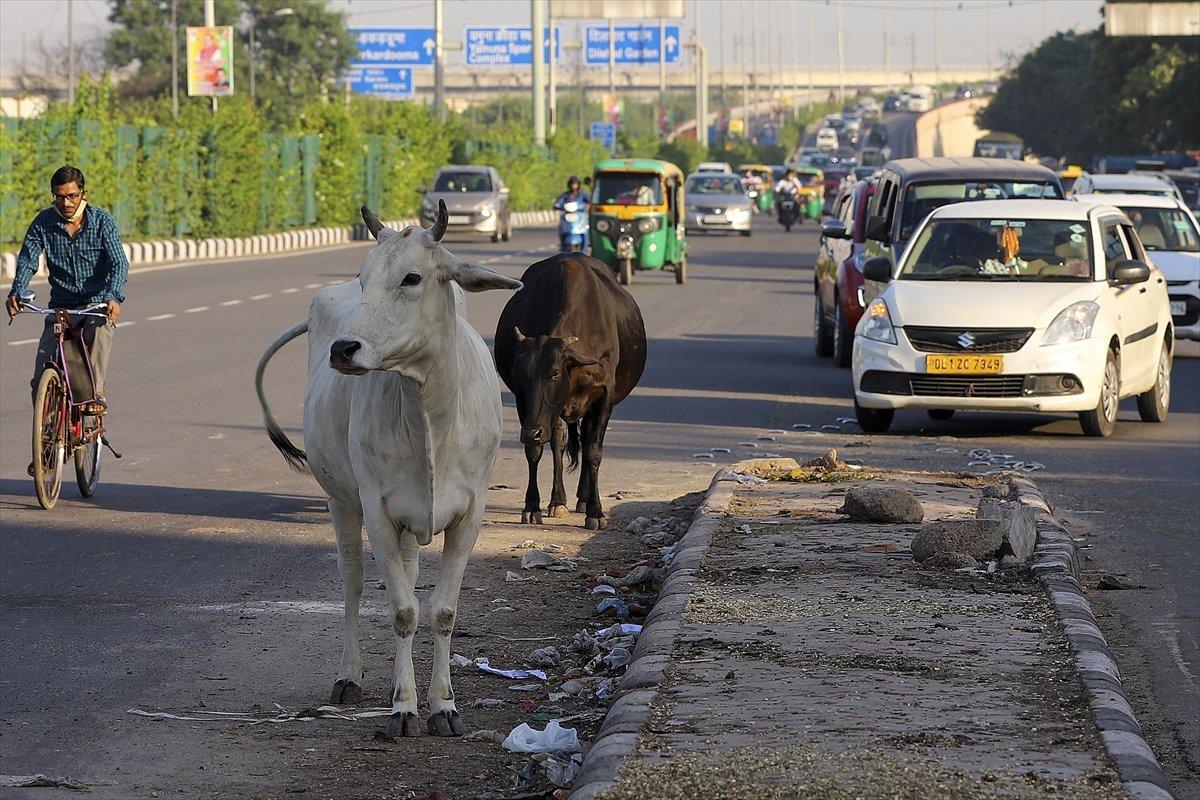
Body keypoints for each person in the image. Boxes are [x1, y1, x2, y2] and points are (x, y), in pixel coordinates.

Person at [6, 166, 128, 450]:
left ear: (83, 194)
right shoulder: (43, 223)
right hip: (61, 308)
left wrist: (113, 296)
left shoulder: (102, 222)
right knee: (41, 380)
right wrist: (18, 291)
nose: (66, 203)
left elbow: (119, 263)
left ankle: (94, 399)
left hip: (96, 306)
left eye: (72, 196)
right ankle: (46, 443)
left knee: (98, 337)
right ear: (54, 196)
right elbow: (27, 260)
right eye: (60, 197)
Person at [554, 176, 591, 251]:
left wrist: (589, 207)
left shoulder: (583, 195)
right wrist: (557, 206)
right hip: (567, 216)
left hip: (579, 216)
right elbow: (558, 203)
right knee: (561, 228)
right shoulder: (565, 195)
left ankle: (585, 248)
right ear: (569, 185)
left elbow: (591, 201)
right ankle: (562, 245)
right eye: (572, 184)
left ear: (578, 185)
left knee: (585, 229)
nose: (573, 186)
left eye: (575, 184)